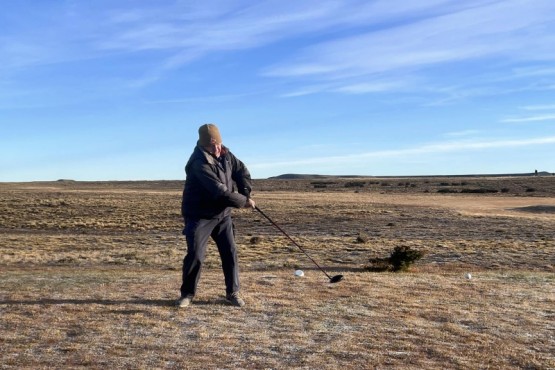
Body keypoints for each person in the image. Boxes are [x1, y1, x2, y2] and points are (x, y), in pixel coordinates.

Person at [176, 124, 255, 308]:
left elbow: (241, 171)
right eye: (212, 146)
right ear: (203, 146)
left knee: (230, 252)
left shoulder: (226, 154)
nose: (217, 149)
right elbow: (220, 193)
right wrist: (243, 202)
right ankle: (187, 294)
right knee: (195, 254)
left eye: (218, 144)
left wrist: (246, 192)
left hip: (223, 214)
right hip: (199, 215)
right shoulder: (198, 162)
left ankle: (233, 292)